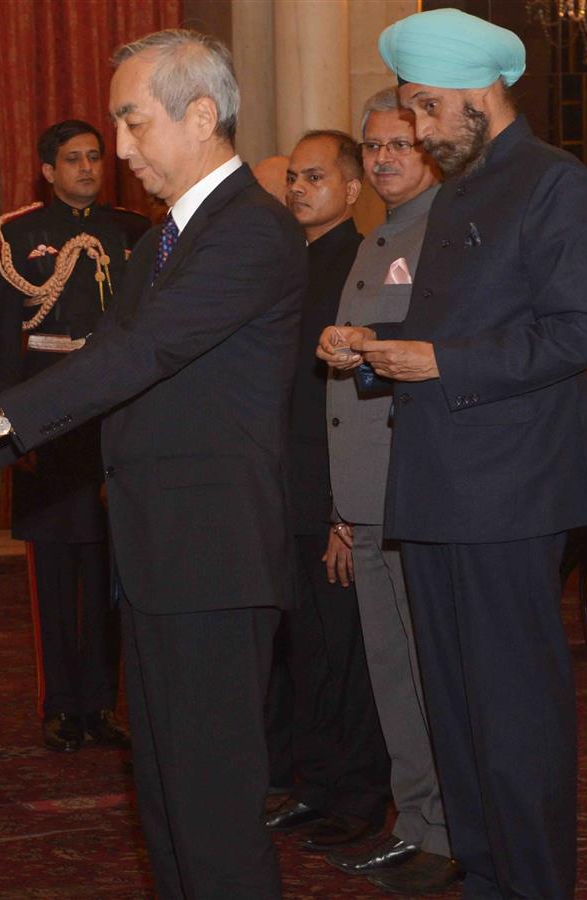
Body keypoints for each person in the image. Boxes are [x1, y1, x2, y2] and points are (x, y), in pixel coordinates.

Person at [0, 29, 307, 897]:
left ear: (201, 115)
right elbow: (102, 357)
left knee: (215, 809)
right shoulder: (166, 239)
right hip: (162, 557)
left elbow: (136, 355)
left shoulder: (251, 230)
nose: (118, 149)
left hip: (214, 559)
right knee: (164, 797)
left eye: (132, 122)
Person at [320, 10, 587, 897]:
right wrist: (372, 345)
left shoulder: (555, 183)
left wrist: (437, 361)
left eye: (429, 108)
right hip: (438, 486)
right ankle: (485, 875)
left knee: (512, 714)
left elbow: (577, 333)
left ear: (483, 95)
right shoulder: (459, 189)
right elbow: (451, 330)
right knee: (454, 712)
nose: (418, 127)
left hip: (510, 493)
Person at [321, 88, 456, 893]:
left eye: (398, 144)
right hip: (365, 495)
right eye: (372, 147)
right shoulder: (377, 238)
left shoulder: (445, 231)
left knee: (425, 672)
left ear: (432, 146)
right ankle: (415, 823)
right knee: (391, 675)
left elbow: (447, 350)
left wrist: (370, 344)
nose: (383, 159)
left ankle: (445, 831)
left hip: (415, 490)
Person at [0, 119, 146, 753]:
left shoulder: (133, 232)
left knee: (109, 571)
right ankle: (60, 704)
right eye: (72, 160)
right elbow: (0, 341)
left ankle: (101, 704)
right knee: (54, 574)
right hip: (45, 424)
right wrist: (6, 431)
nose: (86, 168)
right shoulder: (19, 235)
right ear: (47, 171)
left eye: (94, 157)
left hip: (112, 424)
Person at [264, 130, 391, 854]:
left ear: (350, 190)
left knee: (348, 649)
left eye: (317, 177)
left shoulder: (362, 265)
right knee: (304, 648)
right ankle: (314, 785)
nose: (300, 188)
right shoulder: (291, 262)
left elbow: (364, 400)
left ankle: (358, 794)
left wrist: (349, 508)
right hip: (285, 483)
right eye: (295, 178)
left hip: (335, 487)